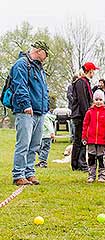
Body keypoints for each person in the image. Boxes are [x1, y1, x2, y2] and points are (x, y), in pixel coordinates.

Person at [12, 40, 50, 185]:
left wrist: (45, 107)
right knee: (23, 143)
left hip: (40, 112)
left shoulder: (40, 68)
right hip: (26, 111)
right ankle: (18, 174)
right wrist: (26, 104)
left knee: (35, 145)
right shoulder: (22, 64)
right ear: (39, 51)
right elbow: (20, 85)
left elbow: (44, 90)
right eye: (46, 53)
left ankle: (29, 172)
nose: (46, 57)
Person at [71, 62, 99, 172]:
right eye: (93, 71)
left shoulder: (84, 82)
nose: (94, 73)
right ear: (89, 71)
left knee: (79, 139)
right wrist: (88, 115)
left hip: (80, 114)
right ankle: (80, 163)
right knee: (81, 140)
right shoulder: (81, 83)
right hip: (81, 115)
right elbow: (83, 101)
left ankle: (77, 163)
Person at [82, 89, 105, 183]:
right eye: (96, 99)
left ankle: (102, 175)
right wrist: (84, 137)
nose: (98, 102)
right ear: (93, 100)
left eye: (100, 100)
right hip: (91, 139)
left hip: (102, 140)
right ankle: (91, 175)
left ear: (103, 101)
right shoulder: (89, 112)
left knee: (101, 158)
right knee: (91, 157)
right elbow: (85, 125)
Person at [67, 75, 78, 142]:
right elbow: (69, 95)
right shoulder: (71, 87)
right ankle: (73, 137)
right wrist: (75, 102)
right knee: (73, 123)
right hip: (72, 108)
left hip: (77, 109)